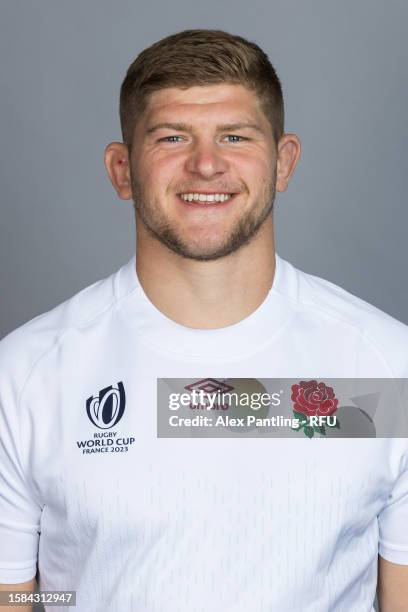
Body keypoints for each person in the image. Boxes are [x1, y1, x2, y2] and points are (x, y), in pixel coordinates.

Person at [0, 29, 407, 612]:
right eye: (171, 137)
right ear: (122, 170)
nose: (206, 164)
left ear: (283, 162)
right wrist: (75, 595)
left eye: (235, 136)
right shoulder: (24, 375)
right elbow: (16, 598)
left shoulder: (388, 369)